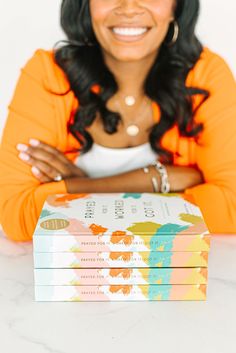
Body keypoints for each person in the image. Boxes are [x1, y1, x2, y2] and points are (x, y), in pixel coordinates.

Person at [0, 0, 236, 242]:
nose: (129, 8)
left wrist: (79, 187)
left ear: (177, 6)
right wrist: (157, 179)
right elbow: (16, 215)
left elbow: (232, 206)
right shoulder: (48, 74)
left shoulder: (206, 75)